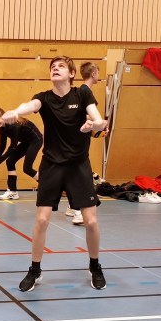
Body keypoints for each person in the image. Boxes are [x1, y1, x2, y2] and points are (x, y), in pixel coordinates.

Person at [2, 56, 107, 293]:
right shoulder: (44, 98)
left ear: (72, 74)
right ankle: (35, 269)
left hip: (78, 165)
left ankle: (95, 265)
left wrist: (94, 125)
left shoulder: (82, 94)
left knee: (91, 221)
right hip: (51, 165)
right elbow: (29, 106)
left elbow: (99, 121)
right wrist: (15, 112)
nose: (55, 69)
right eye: (52, 67)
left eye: (60, 66)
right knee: (41, 220)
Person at [65, 61, 104, 223]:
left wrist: (96, 129)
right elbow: (81, 116)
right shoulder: (84, 91)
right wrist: (97, 124)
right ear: (93, 74)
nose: (99, 76)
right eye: (98, 73)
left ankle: (73, 207)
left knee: (77, 175)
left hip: (81, 140)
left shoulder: (84, 91)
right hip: (76, 142)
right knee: (80, 176)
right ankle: (77, 211)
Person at [0, 107, 42, 202]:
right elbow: (2, 145)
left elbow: (13, 146)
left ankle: (47, 184)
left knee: (27, 169)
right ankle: (13, 192)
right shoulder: (2, 128)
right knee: (10, 161)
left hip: (35, 140)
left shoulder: (12, 126)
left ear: (4, 117)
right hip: (26, 142)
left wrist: (0, 160)